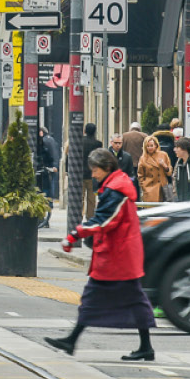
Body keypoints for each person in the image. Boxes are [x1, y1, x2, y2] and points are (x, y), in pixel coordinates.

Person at [44, 149, 156, 361]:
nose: (93, 174)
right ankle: (145, 347)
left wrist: (75, 234)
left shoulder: (115, 191)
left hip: (117, 256)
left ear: (106, 168)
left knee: (94, 297)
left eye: (95, 170)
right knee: (132, 299)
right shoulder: (116, 186)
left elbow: (104, 220)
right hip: (121, 254)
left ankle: (72, 340)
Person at [72, 123, 104, 226]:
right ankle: (90, 218)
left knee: (79, 198)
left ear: (85, 131)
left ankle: (78, 218)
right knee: (91, 199)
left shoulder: (79, 142)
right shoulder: (98, 144)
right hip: (92, 175)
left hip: (79, 174)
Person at [136, 136, 171, 203]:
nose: (150, 148)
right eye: (148, 146)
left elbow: (169, 172)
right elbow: (140, 174)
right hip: (150, 188)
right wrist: (144, 187)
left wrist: (164, 165)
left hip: (163, 188)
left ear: (156, 145)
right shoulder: (143, 158)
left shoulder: (163, 155)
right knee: (151, 210)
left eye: (151, 145)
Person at [35, 127, 60, 200]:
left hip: (46, 167)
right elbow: (55, 153)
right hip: (53, 166)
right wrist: (55, 165)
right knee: (51, 185)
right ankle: (50, 203)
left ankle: (46, 202)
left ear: (41, 132)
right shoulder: (52, 140)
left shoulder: (43, 141)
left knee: (44, 187)